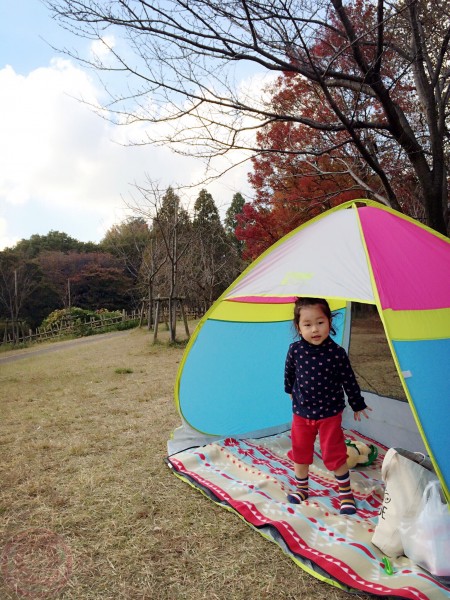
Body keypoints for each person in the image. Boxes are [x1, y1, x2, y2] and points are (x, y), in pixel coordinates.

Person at [284, 297, 371, 515]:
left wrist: (357, 403)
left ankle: (345, 494)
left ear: (329, 323)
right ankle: (302, 489)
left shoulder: (336, 353)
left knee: (335, 453)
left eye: (320, 322)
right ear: (299, 327)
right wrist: (289, 392)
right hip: (302, 414)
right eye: (307, 324)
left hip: (330, 414)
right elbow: (289, 374)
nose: (314, 329)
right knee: (300, 451)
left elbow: (348, 380)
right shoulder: (295, 350)